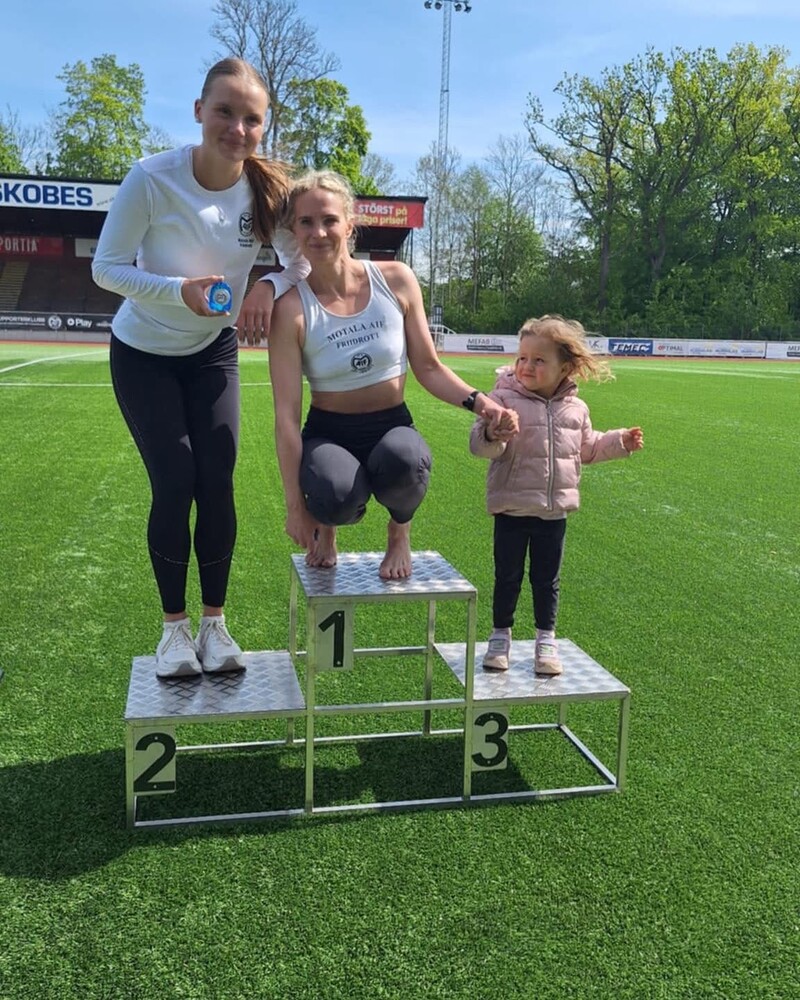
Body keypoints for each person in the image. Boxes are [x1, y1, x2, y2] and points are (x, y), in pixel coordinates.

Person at [92, 58, 308, 679]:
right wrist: (177, 291)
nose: (237, 129)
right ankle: (174, 631)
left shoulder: (266, 192)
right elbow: (106, 268)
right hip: (144, 354)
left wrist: (267, 284)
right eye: (224, 112)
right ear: (198, 111)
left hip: (213, 351)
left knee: (217, 481)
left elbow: (297, 262)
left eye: (252, 119)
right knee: (176, 480)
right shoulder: (151, 178)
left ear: (263, 127)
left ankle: (214, 625)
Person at [268, 169, 519, 580]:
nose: (319, 232)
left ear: (350, 225)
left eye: (330, 220)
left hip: (390, 425)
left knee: (406, 463)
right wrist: (296, 507)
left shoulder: (396, 280)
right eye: (306, 222)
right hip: (329, 432)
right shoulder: (291, 308)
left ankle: (399, 531)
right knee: (333, 495)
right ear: (294, 231)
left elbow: (429, 367)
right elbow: (286, 417)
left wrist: (482, 404)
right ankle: (328, 528)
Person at [470, 315, 643, 676]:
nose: (526, 366)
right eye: (522, 358)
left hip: (553, 513)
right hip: (512, 508)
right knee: (507, 576)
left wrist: (620, 441)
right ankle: (500, 635)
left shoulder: (576, 408)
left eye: (539, 360)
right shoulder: (500, 399)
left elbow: (588, 448)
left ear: (564, 368)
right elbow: (481, 447)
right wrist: (494, 432)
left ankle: (545, 639)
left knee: (547, 580)